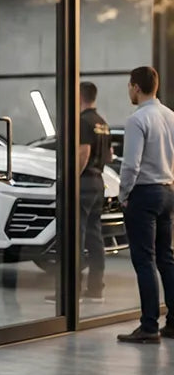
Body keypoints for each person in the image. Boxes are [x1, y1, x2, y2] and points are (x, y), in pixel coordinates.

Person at [117, 66, 174, 344]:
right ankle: (173, 323)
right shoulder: (171, 116)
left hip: (144, 193)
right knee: (166, 258)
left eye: (129, 86)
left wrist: (123, 194)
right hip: (167, 191)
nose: (129, 90)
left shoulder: (137, 119)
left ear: (136, 87)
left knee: (144, 260)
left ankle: (149, 326)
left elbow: (131, 165)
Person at [78, 81, 112, 303]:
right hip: (98, 181)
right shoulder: (102, 122)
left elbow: (84, 152)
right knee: (94, 236)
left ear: (79, 96)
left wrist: (72, 178)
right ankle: (95, 288)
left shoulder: (83, 121)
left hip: (83, 182)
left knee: (76, 236)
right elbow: (109, 155)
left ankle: (71, 292)